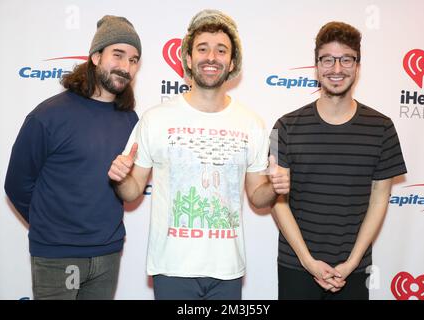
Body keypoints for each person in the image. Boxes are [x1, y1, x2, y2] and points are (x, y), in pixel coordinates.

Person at [108, 9, 289, 300]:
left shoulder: (251, 123)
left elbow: (258, 196)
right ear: (189, 59)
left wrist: (275, 187)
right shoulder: (156, 119)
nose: (211, 58)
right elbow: (131, 193)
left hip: (227, 270)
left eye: (221, 50)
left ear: (232, 63)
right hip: (172, 269)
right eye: (202, 49)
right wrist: (121, 177)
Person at [4, 15, 142, 300]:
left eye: (133, 59)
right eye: (118, 55)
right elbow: (17, 184)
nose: (126, 66)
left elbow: (128, 185)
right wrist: (51, 226)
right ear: (95, 57)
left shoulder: (130, 119)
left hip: (108, 254)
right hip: (58, 257)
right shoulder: (49, 115)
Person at [271, 21, 407, 300]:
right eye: (328, 60)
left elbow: (379, 199)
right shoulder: (283, 126)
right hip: (296, 266)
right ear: (316, 65)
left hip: (353, 270)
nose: (336, 69)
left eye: (346, 59)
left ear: (358, 65)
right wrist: (309, 262)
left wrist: (353, 261)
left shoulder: (382, 127)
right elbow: (277, 200)